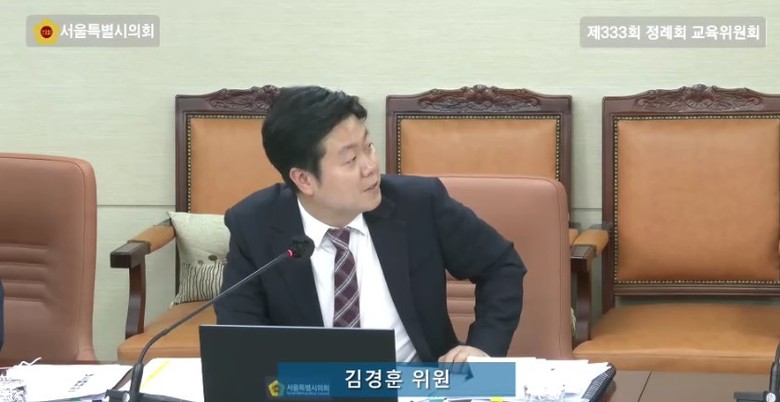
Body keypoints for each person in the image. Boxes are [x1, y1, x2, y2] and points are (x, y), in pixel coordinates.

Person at [214, 85, 526, 364]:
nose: (370, 167)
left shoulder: (419, 205)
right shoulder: (254, 225)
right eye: (350, 160)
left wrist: (482, 347)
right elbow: (241, 330)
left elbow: (501, 265)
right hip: (312, 388)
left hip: (416, 382)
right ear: (304, 179)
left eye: (369, 147)